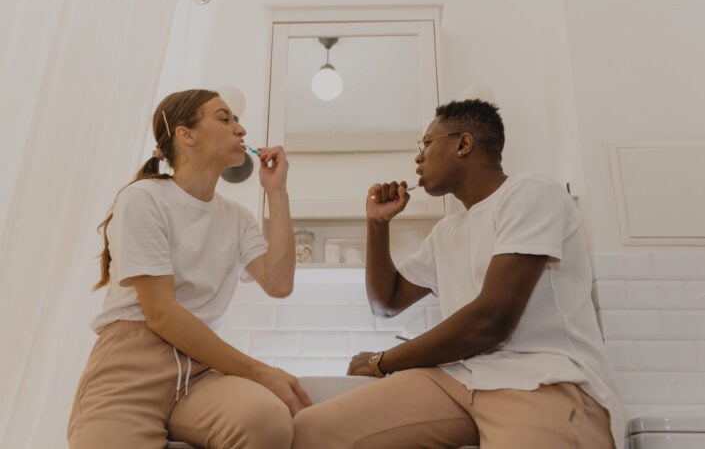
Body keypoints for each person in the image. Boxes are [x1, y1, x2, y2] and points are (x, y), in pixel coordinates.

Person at [292, 99, 625, 449]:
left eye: (427, 144)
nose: (418, 158)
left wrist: (382, 362)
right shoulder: (447, 232)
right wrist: (378, 223)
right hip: (463, 381)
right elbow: (385, 303)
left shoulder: (530, 194)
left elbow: (491, 321)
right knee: (313, 431)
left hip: (542, 380)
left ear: (463, 144)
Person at [67, 89, 311, 449]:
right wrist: (261, 371)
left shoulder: (237, 219)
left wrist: (277, 192)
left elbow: (279, 283)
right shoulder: (143, 199)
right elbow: (161, 314)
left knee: (265, 420)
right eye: (225, 119)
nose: (240, 130)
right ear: (186, 134)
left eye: (237, 120)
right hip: (130, 367)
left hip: (199, 371)